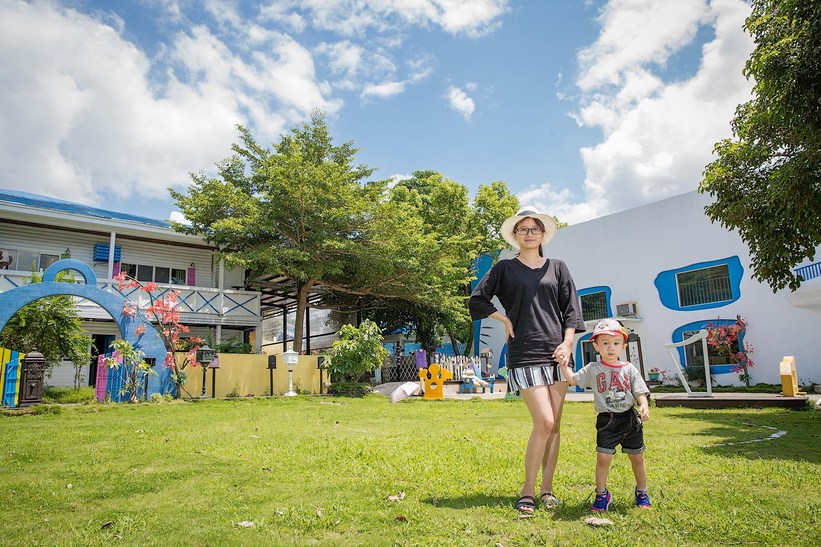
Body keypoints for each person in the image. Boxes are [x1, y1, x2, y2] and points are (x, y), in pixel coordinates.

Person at [468, 206, 585, 514]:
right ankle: (528, 491)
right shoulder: (504, 268)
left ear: (543, 234)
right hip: (525, 352)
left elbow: (571, 310)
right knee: (544, 421)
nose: (530, 234)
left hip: (557, 353)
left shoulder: (558, 267)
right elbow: (477, 300)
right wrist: (504, 321)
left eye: (535, 229)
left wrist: (568, 343)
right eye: (524, 229)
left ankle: (547, 490)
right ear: (515, 236)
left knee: (555, 426)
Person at [557, 318, 652, 511]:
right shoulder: (593, 368)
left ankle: (642, 491)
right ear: (596, 346)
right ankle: (602, 494)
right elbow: (573, 381)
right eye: (605, 343)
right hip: (607, 421)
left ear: (624, 346)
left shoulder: (629, 368)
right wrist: (563, 365)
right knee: (603, 458)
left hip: (630, 419)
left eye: (616, 343)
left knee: (637, 457)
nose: (611, 348)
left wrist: (644, 404)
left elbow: (639, 390)